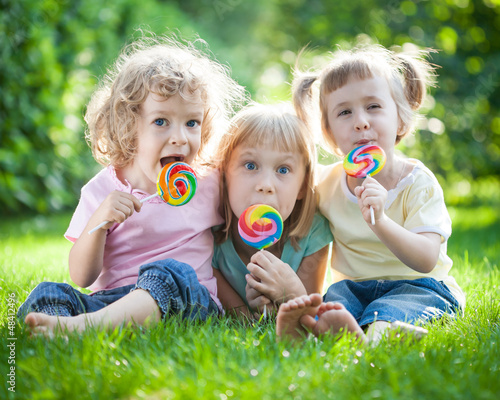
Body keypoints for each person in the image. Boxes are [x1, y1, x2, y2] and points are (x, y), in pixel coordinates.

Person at [18, 34, 245, 333]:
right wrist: (100, 220)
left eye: (192, 122)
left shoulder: (208, 183)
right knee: (49, 293)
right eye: (161, 121)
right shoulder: (101, 191)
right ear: (129, 125)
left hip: (186, 300)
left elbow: (240, 229)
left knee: (170, 271)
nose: (179, 137)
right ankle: (66, 327)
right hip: (111, 302)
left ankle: (80, 329)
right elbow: (82, 277)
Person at [277, 43, 465, 343]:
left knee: (387, 311)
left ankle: (378, 335)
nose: (360, 121)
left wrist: (381, 221)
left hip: (419, 285)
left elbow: (427, 259)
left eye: (373, 106)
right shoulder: (327, 184)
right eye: (345, 112)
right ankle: (313, 329)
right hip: (354, 286)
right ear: (329, 133)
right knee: (333, 303)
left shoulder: (418, 183)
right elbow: (293, 212)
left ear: (400, 117)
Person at [212, 103, 333, 317]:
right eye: (250, 165)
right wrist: (249, 314)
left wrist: (288, 294)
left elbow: (308, 314)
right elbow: (242, 320)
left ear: (303, 186)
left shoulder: (314, 233)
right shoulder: (208, 233)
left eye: (283, 170)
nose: (266, 184)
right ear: (223, 174)